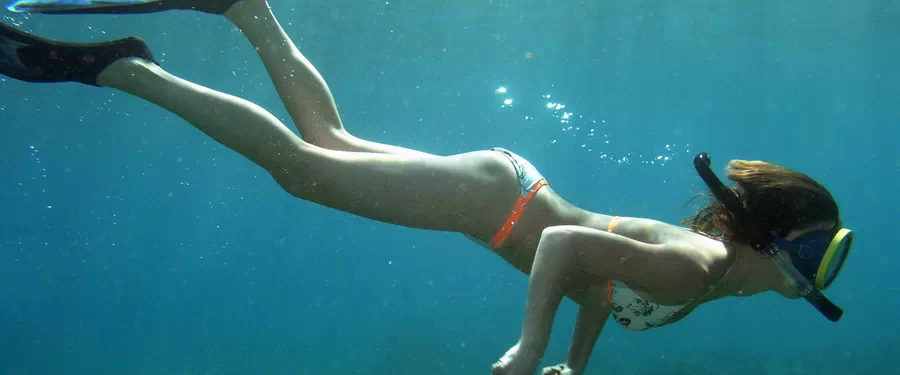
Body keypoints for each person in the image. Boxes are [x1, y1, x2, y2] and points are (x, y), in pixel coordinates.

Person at [0, 1, 855, 374]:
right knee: (303, 172)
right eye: (823, 252)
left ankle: (245, 8)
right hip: (498, 207)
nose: (820, 271)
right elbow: (562, 248)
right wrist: (527, 349)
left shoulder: (700, 273)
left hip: (503, 187)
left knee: (325, 144)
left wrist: (573, 362)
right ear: (778, 245)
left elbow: (601, 282)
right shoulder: (700, 273)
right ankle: (125, 71)